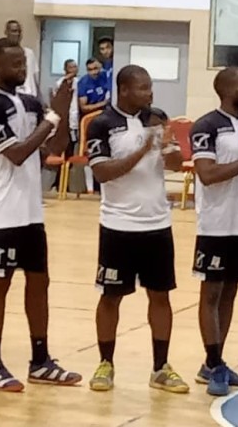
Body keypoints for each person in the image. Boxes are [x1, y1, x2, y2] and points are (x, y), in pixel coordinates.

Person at [0, 37, 81, 391]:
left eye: (24, 64)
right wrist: (50, 118)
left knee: (39, 282)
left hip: (30, 212)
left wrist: (61, 112)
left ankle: (41, 360)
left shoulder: (32, 103)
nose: (21, 69)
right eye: (15, 64)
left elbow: (55, 148)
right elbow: (17, 153)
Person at [86, 66, 187, 394]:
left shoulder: (157, 116)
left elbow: (174, 164)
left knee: (161, 296)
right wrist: (143, 149)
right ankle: (106, 363)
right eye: (143, 88)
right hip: (118, 225)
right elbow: (102, 173)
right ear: (124, 90)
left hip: (157, 223)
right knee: (111, 297)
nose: (150, 93)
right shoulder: (103, 124)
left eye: (150, 87)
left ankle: (160, 367)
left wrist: (168, 146)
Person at [190, 68, 238, 397]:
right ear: (231, 90)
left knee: (230, 293)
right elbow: (206, 174)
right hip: (215, 224)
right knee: (212, 294)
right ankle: (214, 363)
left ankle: (214, 362)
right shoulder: (206, 126)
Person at [0, 20, 39, 97]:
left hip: (30, 96)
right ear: (6, 32)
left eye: (19, 31)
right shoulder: (1, 54)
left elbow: (34, 80)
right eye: (14, 31)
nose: (17, 34)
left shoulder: (29, 53)